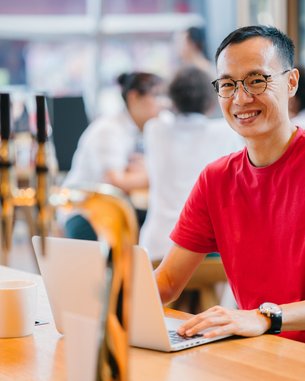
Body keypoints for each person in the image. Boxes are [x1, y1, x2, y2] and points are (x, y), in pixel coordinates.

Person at [155, 25, 305, 343]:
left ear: (291, 82)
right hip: (256, 355)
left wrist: (265, 316)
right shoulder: (217, 179)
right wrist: (99, 299)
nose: (240, 98)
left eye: (256, 80)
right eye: (228, 85)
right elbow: (167, 281)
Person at [140, 66, 243, 262]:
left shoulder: (154, 130)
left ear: (172, 100)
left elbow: (164, 116)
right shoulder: (226, 132)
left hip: (156, 247)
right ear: (212, 102)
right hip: (208, 252)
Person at [61, 71, 165, 239]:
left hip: (119, 209)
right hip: (86, 211)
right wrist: (154, 174)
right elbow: (116, 181)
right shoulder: (108, 130)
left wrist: (144, 171)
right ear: (134, 98)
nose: (162, 103)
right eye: (156, 95)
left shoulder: (151, 128)